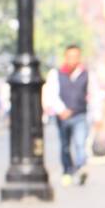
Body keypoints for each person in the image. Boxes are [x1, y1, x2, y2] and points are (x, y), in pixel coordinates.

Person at [42, 45, 92, 187]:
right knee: (65, 145)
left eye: (76, 57)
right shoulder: (56, 74)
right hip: (62, 116)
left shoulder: (85, 74)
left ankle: (81, 167)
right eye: (70, 57)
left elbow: (92, 94)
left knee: (80, 143)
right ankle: (67, 171)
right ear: (65, 57)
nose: (73, 60)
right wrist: (62, 110)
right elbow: (51, 94)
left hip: (80, 114)